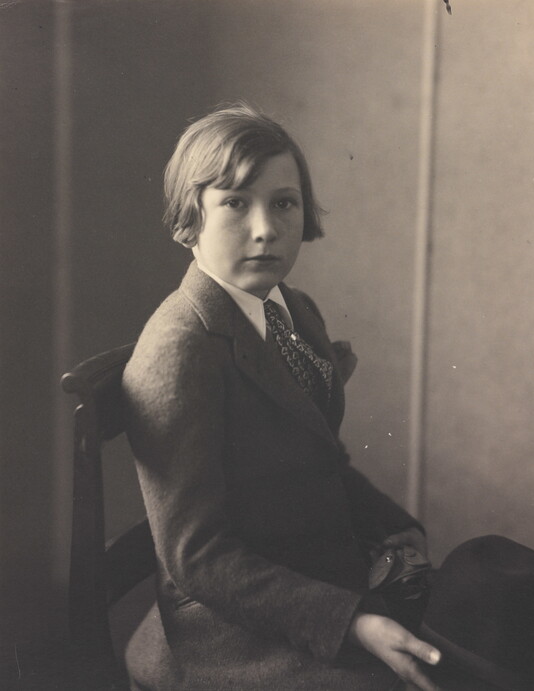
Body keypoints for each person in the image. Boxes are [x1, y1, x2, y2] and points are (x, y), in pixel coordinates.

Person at [122, 102, 442, 690]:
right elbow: (197, 559)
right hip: (227, 626)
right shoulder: (179, 350)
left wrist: (395, 526)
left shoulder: (291, 308)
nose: (266, 228)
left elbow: (320, 459)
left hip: (309, 570)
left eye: (284, 203)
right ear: (189, 219)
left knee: (486, 618)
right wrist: (352, 622)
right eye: (235, 203)